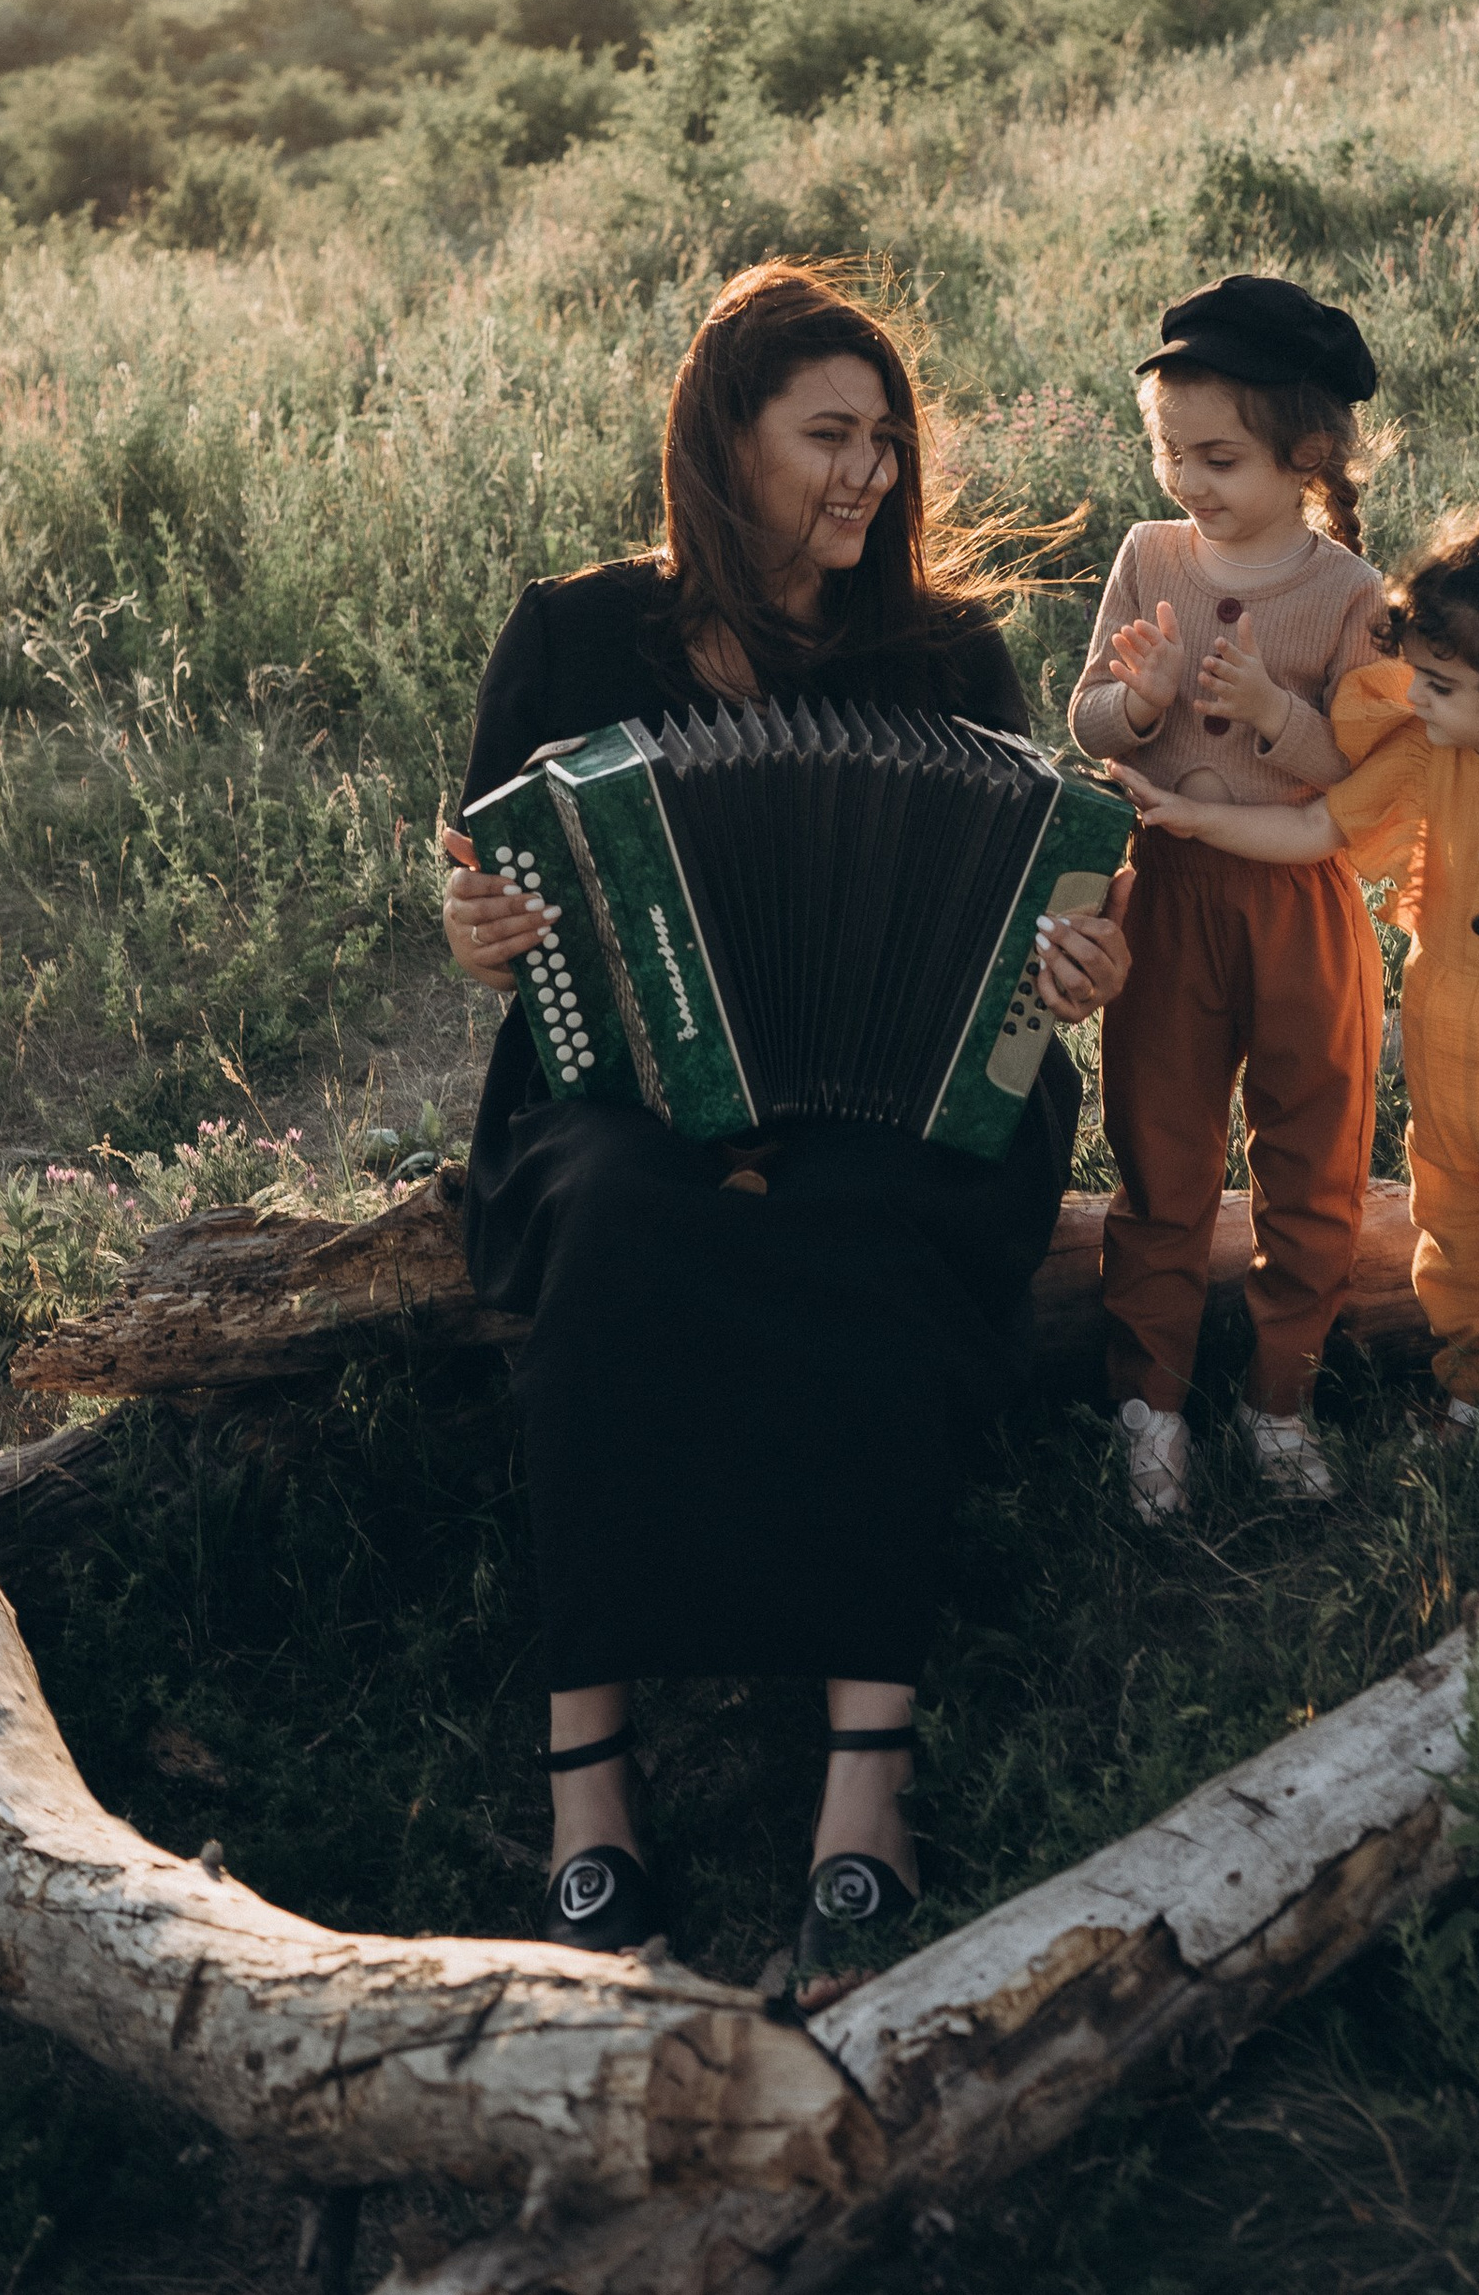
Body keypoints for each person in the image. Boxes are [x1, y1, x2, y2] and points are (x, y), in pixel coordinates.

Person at [439, 262, 1132, 2007]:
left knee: (870, 1207)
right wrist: (477, 932)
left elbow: (1032, 935)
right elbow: (490, 885)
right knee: (608, 1217)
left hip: (902, 1085)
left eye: (886, 442)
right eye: (828, 435)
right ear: (721, 443)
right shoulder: (576, 636)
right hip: (620, 1085)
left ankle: (865, 1781)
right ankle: (587, 1768)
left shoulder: (945, 650)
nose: (869, 476)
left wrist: (1078, 966)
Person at [1109, 489, 1479, 1547]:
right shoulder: (1432, 757)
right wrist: (1199, 815)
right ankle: (1474, 1385)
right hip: (1458, 1071)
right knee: (1460, 1237)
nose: (1409, 698)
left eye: (1436, 684)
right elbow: (1315, 827)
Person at [1065, 275, 1391, 1525]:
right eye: (1167, 452)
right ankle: (1149, 1402)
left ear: (1303, 457)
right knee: (1162, 1150)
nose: (1188, 482)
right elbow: (1092, 717)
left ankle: (1277, 1396)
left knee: (1312, 1153)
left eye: (1218, 457)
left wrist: (1272, 713)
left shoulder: (1348, 595)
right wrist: (1137, 705)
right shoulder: (1151, 556)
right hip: (1167, 898)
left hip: (1297, 901)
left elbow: (1359, 779)